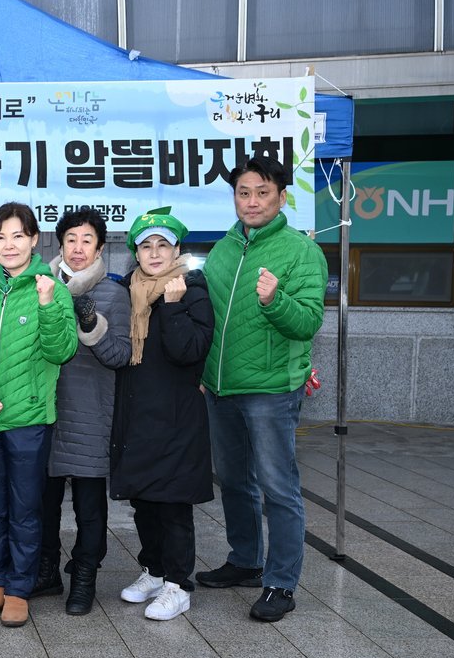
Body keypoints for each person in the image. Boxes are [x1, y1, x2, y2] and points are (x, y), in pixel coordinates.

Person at [196, 155, 328, 622]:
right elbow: (209, 318)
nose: (252, 201)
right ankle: (246, 561)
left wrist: (275, 300)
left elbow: (308, 321)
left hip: (271, 389)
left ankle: (281, 582)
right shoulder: (224, 249)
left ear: (282, 197)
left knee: (278, 487)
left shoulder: (301, 251)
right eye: (243, 192)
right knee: (234, 480)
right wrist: (202, 372)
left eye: (262, 192)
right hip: (221, 387)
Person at [0, 202, 77, 627]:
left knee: (25, 509)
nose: (9, 245)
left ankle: (19, 589)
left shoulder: (52, 288)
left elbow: (62, 351)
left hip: (28, 420)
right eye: (1, 236)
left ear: (34, 241)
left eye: (18, 236)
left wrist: (46, 304)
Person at [111, 209, 214, 621]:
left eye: (163, 245)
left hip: (176, 418)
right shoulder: (127, 291)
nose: (154, 253)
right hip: (137, 415)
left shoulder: (192, 290)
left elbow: (189, 351)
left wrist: (171, 307)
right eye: (146, 246)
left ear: (177, 250)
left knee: (173, 505)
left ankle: (178, 584)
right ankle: (153, 572)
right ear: (135, 252)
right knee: (144, 502)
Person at [36, 208, 131, 615]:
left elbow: (120, 356)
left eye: (87, 240)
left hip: (90, 412)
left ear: (100, 247)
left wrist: (92, 324)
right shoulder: (40, 286)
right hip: (43, 409)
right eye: (71, 239)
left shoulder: (114, 293)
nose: (78, 248)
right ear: (60, 244)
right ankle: (46, 572)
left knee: (89, 507)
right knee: (42, 502)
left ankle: (85, 578)